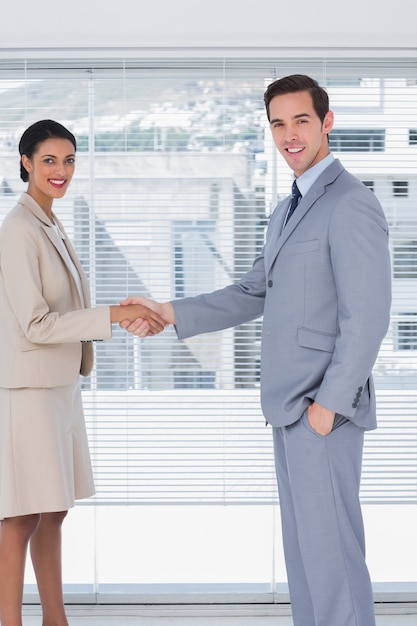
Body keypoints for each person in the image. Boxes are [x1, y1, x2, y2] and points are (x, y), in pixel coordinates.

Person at [121, 75, 392, 626]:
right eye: (278, 123)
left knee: (334, 560)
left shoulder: (350, 204)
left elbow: (367, 318)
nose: (289, 134)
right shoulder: (288, 207)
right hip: (289, 408)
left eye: (301, 121)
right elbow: (254, 291)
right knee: (307, 559)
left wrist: (327, 407)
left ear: (327, 122)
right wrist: (167, 312)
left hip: (322, 410)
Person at [0, 119, 166, 626]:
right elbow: (33, 322)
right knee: (23, 513)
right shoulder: (18, 229)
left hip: (60, 388)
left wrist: (114, 316)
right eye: (49, 160)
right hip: (29, 391)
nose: (62, 170)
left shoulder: (49, 222)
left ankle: (56, 619)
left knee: (54, 509)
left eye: (69, 160)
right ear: (26, 162)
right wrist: (114, 315)